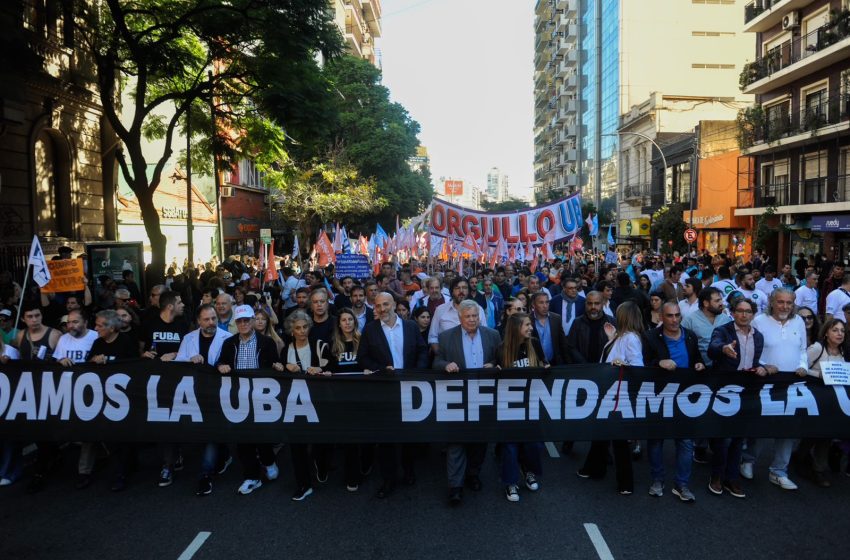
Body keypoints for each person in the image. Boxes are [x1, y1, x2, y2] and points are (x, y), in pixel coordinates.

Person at [357, 292, 429, 499]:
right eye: (378, 306)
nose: (382, 309)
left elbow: (423, 351)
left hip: (409, 387)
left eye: (386, 304)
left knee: (408, 434)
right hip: (385, 390)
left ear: (395, 305)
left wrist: (417, 372)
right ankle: (388, 479)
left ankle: (408, 471)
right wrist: (380, 369)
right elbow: (362, 358)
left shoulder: (411, 327)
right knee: (386, 437)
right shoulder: (370, 330)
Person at [433, 299, 501, 505]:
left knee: (480, 441)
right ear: (460, 318)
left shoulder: (493, 335)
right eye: (468, 317)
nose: (472, 320)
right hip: (457, 397)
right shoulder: (446, 337)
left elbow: (502, 360)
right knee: (456, 442)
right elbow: (435, 362)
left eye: (475, 316)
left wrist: (494, 364)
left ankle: (473, 474)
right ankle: (455, 486)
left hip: (484, 395)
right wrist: (445, 365)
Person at [743, 288, 808, 490]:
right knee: (761, 426)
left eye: (789, 303)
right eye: (780, 302)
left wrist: (804, 366)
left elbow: (803, 349)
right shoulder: (759, 322)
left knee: (787, 430)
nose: (785, 306)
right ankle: (748, 460)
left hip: (792, 384)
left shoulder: (798, 322)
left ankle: (779, 471)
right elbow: (750, 350)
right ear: (772, 302)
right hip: (765, 383)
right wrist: (762, 366)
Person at [216, 305, 284, 496]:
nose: (244, 324)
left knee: (262, 434)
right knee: (243, 437)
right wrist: (221, 365)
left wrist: (277, 366)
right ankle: (252, 476)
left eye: (247, 320)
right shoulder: (229, 343)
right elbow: (221, 361)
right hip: (238, 397)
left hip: (262, 396)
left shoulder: (267, 342)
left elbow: (274, 364)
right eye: (240, 321)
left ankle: (268, 460)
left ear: (253, 321)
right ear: (235, 323)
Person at [642, 301, 705, 503]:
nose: (674, 320)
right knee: (656, 440)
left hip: (685, 397)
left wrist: (699, 364)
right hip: (659, 396)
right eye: (669, 316)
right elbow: (641, 364)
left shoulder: (690, 336)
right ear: (661, 317)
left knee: (685, 442)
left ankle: (682, 484)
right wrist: (657, 363)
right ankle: (658, 479)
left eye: (677, 315)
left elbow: (698, 358)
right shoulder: (650, 337)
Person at [576, 301, 641, 495]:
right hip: (608, 393)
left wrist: (623, 364)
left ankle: (625, 482)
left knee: (617, 439)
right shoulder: (620, 336)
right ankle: (594, 469)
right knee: (602, 433)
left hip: (618, 395)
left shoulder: (630, 338)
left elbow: (638, 365)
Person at [707, 297, 764, 499]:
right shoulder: (723, 331)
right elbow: (712, 348)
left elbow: (756, 360)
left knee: (739, 437)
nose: (744, 314)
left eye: (748, 311)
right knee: (723, 438)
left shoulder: (758, 337)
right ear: (732, 312)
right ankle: (717, 475)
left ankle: (732, 477)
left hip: (747, 392)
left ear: (753, 314)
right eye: (740, 310)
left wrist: (763, 368)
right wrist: (723, 348)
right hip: (724, 390)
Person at [281, 309, 331, 501]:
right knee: (297, 447)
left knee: (320, 442)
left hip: (318, 402)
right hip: (295, 404)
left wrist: (320, 368)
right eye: (298, 328)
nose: (302, 331)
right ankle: (303, 484)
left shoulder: (319, 345)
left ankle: (322, 462)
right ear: (291, 330)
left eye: (305, 327)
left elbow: (332, 367)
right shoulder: (286, 350)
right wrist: (284, 367)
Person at [89, 310, 141, 491]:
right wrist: (93, 360)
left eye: (100, 325)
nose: (96, 328)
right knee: (111, 438)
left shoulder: (126, 342)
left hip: (124, 398)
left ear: (111, 328)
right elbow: (87, 368)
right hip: (103, 398)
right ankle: (123, 468)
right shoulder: (97, 344)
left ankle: (122, 472)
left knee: (123, 438)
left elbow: (134, 366)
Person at [497, 313, 546, 502]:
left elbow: (546, 365)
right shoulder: (502, 349)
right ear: (516, 327)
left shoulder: (534, 344)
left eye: (530, 324)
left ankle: (529, 471)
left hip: (531, 404)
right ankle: (510, 482)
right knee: (510, 446)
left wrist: (546, 367)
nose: (531, 328)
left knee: (532, 443)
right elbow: (495, 372)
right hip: (509, 406)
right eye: (527, 325)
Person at [798, 318, 846, 488]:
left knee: (826, 435)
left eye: (842, 331)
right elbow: (801, 367)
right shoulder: (817, 349)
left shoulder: (844, 352)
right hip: (815, 400)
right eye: (835, 330)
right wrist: (819, 375)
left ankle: (818, 470)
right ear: (826, 333)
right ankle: (799, 460)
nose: (839, 333)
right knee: (813, 434)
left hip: (834, 403)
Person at [327, 309, 370, 492]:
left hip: (362, 396)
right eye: (343, 320)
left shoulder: (364, 341)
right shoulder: (334, 345)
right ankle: (352, 476)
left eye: (350, 319)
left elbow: (371, 361)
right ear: (339, 324)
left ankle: (367, 463)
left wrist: (369, 369)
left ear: (355, 322)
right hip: (342, 398)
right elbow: (329, 366)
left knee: (365, 436)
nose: (347, 323)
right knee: (349, 439)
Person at [428, 276, 486, 352]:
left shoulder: (479, 309)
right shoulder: (440, 310)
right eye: (457, 288)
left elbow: (484, 335)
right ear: (452, 291)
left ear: (468, 291)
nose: (461, 291)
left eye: (464, 288)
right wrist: (441, 356)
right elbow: (433, 337)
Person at [682, 287, 731, 368]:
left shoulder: (726, 319)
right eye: (717, 301)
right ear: (706, 303)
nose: (721, 303)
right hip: (699, 369)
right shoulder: (690, 320)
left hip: (723, 369)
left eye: (721, 300)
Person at [565, 291, 615, 364]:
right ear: (585, 304)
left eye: (597, 303)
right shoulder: (577, 323)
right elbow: (571, 347)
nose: (593, 307)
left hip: (606, 367)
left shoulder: (612, 322)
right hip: (583, 368)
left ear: (602, 304)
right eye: (590, 303)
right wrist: (583, 363)